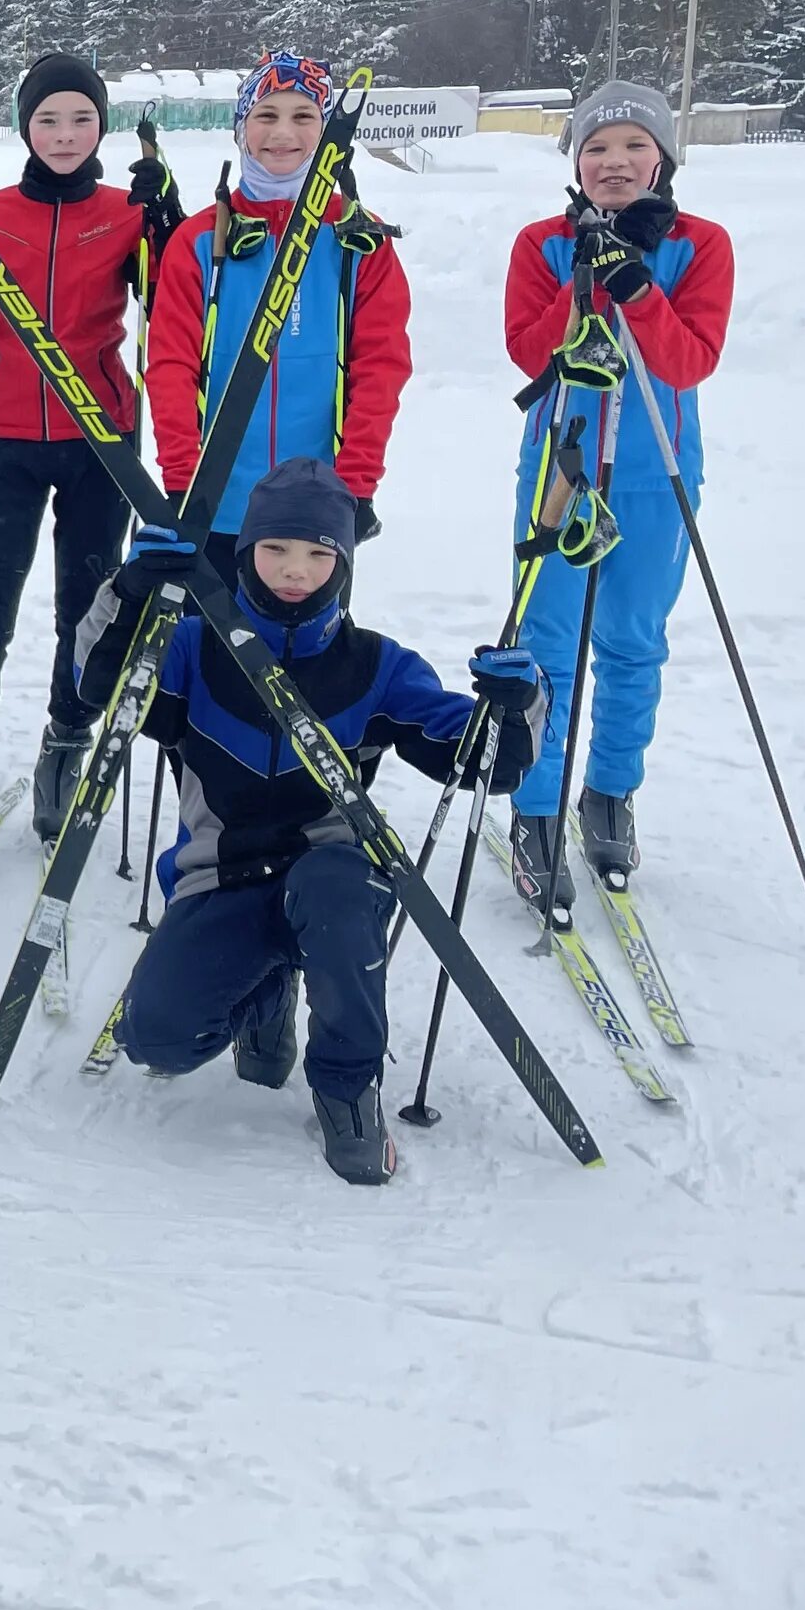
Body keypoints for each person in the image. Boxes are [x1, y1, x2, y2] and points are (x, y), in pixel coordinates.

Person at [89, 457, 545, 1185]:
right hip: (222, 874)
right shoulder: (191, 648)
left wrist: (515, 702)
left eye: (317, 552)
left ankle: (346, 1084)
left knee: (335, 891)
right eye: (275, 550)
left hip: (330, 872)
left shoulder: (378, 667)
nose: (294, 570)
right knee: (158, 1042)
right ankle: (266, 987)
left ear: (343, 560)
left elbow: (486, 765)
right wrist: (130, 591)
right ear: (244, 554)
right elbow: (100, 691)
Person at [0, 53, 182, 861]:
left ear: (102, 126)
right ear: (24, 127)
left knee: (86, 609)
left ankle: (66, 743)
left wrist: (167, 225)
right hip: (5, 439)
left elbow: (173, 313)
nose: (64, 136)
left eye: (81, 119)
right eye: (47, 120)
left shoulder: (124, 211)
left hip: (100, 440)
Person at [499, 80, 731, 913]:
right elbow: (531, 352)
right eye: (596, 148)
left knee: (633, 643)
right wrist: (589, 272)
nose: (614, 161)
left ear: (663, 157)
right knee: (548, 647)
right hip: (561, 468)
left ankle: (609, 794)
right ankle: (535, 808)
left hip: (654, 472)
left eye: (634, 145)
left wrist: (637, 281)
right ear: (577, 163)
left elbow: (687, 362)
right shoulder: (541, 244)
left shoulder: (701, 244)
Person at [144, 52, 411, 558]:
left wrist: (355, 482)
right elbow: (171, 365)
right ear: (240, 128)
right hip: (213, 500)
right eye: (266, 115)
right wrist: (182, 477)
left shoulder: (358, 239)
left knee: (306, 639)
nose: (282, 132)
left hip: (317, 507)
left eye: (303, 116)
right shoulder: (200, 239)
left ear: (326, 128)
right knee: (205, 639)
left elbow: (380, 369)